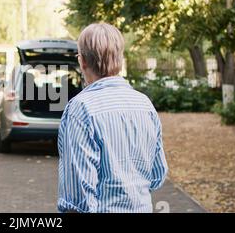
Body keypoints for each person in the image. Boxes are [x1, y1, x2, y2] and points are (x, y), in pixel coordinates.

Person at [57, 23, 168, 213]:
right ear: (120, 60)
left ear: (82, 61)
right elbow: (157, 174)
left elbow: (77, 197)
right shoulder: (145, 105)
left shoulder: (81, 108)